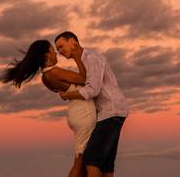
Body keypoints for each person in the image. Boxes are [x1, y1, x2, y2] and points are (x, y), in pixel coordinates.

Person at [0, 39, 97, 177]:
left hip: (77, 112)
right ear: (46, 55)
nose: (56, 53)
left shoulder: (45, 76)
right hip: (83, 113)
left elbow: (64, 92)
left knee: (84, 161)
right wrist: (77, 57)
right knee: (80, 162)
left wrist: (68, 93)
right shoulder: (54, 72)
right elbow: (84, 79)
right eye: (53, 50)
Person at [55, 31, 129, 177]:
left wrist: (67, 95)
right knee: (106, 164)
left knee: (91, 159)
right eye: (57, 49)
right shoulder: (84, 61)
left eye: (61, 46)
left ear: (73, 42)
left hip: (111, 112)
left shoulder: (92, 58)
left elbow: (93, 90)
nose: (60, 52)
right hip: (110, 112)